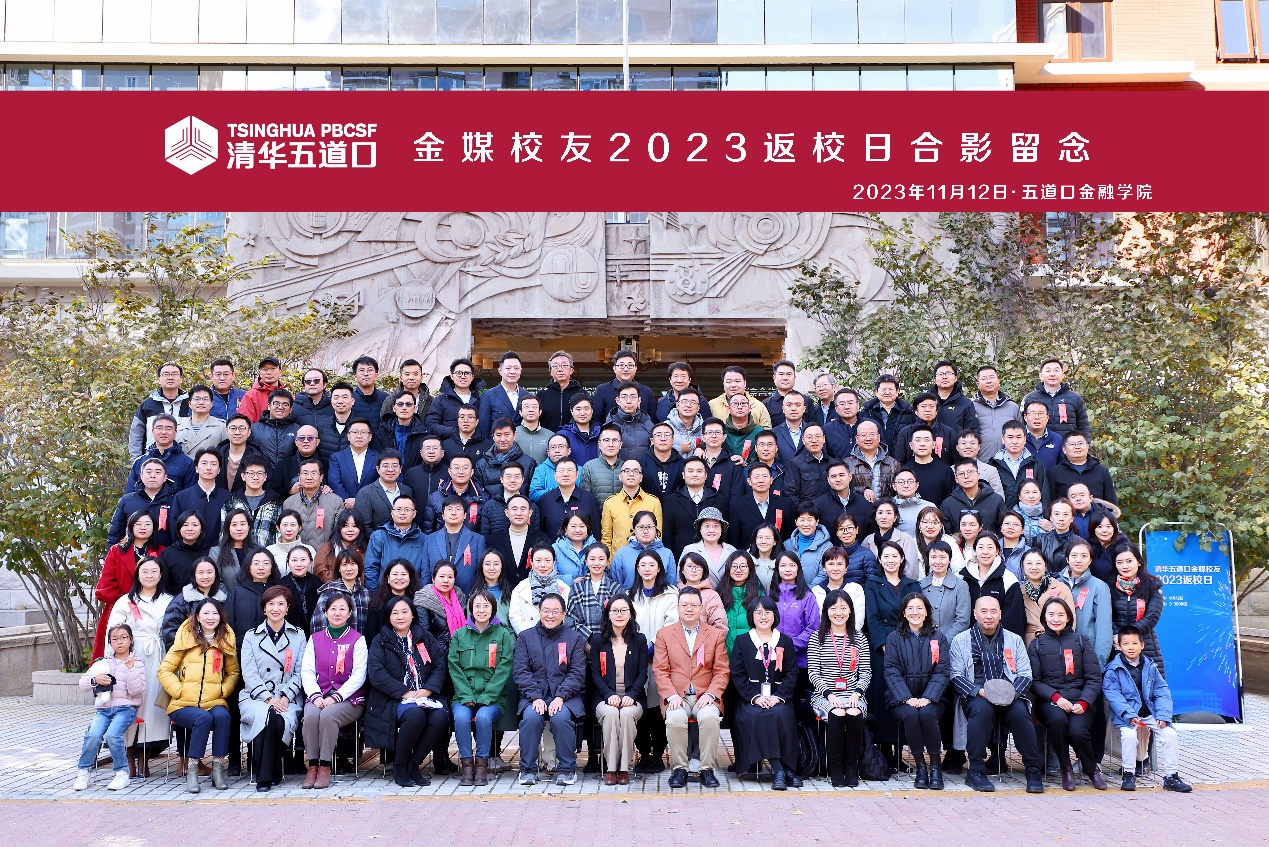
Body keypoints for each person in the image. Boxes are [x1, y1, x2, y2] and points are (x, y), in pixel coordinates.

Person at [949, 595, 1045, 794]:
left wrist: (1010, 694)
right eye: (983, 611)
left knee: (1020, 713)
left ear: (1000, 614)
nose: (988, 616)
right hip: (977, 694)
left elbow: (1026, 674)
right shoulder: (961, 640)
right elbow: (955, 676)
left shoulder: (1014, 640)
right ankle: (976, 771)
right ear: (975, 614)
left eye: (993, 611)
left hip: (1010, 694)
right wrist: (980, 691)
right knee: (982, 711)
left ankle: (1033, 770)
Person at [365, 595, 451, 787]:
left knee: (440, 717)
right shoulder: (380, 640)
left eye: (405, 612)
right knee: (415, 716)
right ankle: (400, 766)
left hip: (424, 695)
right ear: (389, 617)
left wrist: (428, 689)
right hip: (393, 698)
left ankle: (413, 765)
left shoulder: (424, 637)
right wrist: (405, 693)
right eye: (395, 613)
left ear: (413, 614)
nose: (400, 616)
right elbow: (377, 673)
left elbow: (439, 665)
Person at [159, 597, 240, 793]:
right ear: (197, 616)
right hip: (183, 704)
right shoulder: (185, 639)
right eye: (206, 613)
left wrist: (223, 690)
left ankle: (218, 770)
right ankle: (192, 770)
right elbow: (164, 670)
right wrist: (178, 691)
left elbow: (234, 672)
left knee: (223, 716)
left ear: (221, 617)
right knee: (202, 718)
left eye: (215, 613)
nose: (210, 617)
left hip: (214, 700)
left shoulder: (225, 641)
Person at [1028, 596, 1108, 791]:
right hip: (1050, 701)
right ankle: (1066, 768)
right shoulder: (1036, 645)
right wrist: (1056, 698)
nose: (1056, 619)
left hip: (1080, 700)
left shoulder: (1081, 641)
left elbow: (1094, 678)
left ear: (1069, 618)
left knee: (1077, 732)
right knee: (1057, 720)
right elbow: (1034, 682)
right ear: (1044, 617)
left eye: (1061, 615)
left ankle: (1092, 769)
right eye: (1051, 614)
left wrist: (1084, 702)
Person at [653, 587, 730, 789]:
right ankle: (680, 768)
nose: (689, 609)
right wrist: (671, 695)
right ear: (678, 608)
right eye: (684, 605)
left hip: (705, 694)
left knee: (710, 718)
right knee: (675, 718)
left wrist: (712, 694)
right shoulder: (664, 634)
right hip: (677, 695)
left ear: (701, 608)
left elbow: (722, 671)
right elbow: (660, 670)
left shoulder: (714, 634)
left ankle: (707, 769)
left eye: (694, 605)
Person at [1102, 624, 1192, 792]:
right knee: (1129, 736)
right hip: (1126, 715)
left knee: (1170, 734)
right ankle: (1129, 774)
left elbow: (1162, 691)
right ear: (1119, 646)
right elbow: (1113, 696)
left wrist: (1163, 715)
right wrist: (1129, 715)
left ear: (1142, 645)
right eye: (1126, 643)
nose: (1130, 647)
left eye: (1134, 643)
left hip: (1149, 712)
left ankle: (1171, 777)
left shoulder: (1150, 666)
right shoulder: (1113, 669)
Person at [105, 556, 172, 775]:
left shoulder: (169, 601)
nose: (149, 575)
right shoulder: (125, 601)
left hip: (158, 656)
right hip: (130, 656)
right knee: (128, 702)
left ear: (161, 575)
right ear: (137, 574)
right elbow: (113, 634)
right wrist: (112, 662)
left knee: (152, 706)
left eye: (154, 571)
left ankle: (145, 755)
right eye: (145, 571)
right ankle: (128, 756)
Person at [513, 593, 588, 785]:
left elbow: (577, 673)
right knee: (531, 717)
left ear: (564, 614)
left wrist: (561, 696)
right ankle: (528, 769)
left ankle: (567, 769)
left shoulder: (574, 638)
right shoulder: (525, 637)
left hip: (565, 696)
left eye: (555, 611)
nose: (550, 615)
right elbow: (521, 672)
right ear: (539, 611)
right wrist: (535, 697)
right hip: (534, 696)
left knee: (561, 718)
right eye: (546, 610)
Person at [237, 584, 306, 791]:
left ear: (288, 608)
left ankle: (267, 773)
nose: (276, 608)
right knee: (267, 716)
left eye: (281, 604)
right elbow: (249, 674)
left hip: (287, 698)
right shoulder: (251, 636)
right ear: (264, 608)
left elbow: (300, 672)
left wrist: (284, 697)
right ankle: (267, 776)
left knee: (277, 720)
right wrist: (269, 699)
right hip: (256, 696)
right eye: (271, 604)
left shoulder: (298, 635)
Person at [728, 596, 800, 788]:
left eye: (767, 612)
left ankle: (784, 769)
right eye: (758, 612)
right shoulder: (742, 641)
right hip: (750, 699)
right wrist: (756, 697)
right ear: (751, 616)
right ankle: (781, 770)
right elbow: (737, 674)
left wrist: (778, 697)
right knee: (757, 714)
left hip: (779, 698)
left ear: (775, 615)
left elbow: (791, 673)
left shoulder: (785, 641)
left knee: (779, 713)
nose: (763, 616)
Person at [300, 591, 367, 790]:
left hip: (349, 700)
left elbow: (359, 674)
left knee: (328, 716)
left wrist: (336, 697)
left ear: (349, 613)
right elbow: (307, 671)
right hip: (319, 695)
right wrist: (315, 696)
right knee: (310, 716)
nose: (337, 613)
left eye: (342, 609)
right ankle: (312, 765)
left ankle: (325, 766)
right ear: (325, 612)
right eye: (333, 609)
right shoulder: (315, 639)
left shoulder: (358, 640)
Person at [864, 541, 923, 764]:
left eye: (894, 556)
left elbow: (918, 615)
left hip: (909, 645)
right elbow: (872, 618)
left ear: (902, 559)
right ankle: (883, 751)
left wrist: (907, 642)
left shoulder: (912, 585)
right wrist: (885, 644)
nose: (890, 560)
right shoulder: (873, 584)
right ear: (880, 560)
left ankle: (900, 752)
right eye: (886, 556)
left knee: (904, 695)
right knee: (881, 696)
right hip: (882, 649)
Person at [884, 592, 951, 790]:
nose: (915, 612)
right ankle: (921, 767)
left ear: (927, 612)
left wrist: (928, 697)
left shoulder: (938, 638)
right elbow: (891, 670)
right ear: (904, 613)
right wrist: (906, 698)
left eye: (919, 608)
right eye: (910, 608)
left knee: (927, 714)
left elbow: (942, 671)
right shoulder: (894, 638)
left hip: (933, 698)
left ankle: (935, 767)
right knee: (912, 715)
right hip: (901, 699)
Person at [449, 588, 515, 786]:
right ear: (470, 609)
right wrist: (466, 695)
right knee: (461, 717)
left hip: (493, 697)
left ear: (493, 609)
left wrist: (487, 696)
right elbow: (454, 667)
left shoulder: (503, 635)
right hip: (464, 695)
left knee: (484, 717)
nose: (481, 610)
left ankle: (481, 767)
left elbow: (503, 669)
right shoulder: (459, 635)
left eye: (486, 606)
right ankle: (467, 767)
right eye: (477, 606)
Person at [808, 588, 870, 787]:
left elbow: (866, 672)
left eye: (843, 608)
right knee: (837, 712)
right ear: (826, 611)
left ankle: (851, 768)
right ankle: (835, 768)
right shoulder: (817, 637)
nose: (838, 613)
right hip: (824, 695)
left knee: (853, 712)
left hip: (853, 693)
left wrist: (857, 693)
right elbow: (813, 673)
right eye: (833, 608)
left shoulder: (859, 638)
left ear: (850, 611)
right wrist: (829, 694)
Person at [73, 624, 147, 792]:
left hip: (126, 708)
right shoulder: (102, 662)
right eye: (115, 639)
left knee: (113, 735)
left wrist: (131, 670)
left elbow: (137, 691)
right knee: (93, 735)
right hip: (104, 709)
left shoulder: (137, 662)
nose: (119, 642)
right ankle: (84, 772)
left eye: (123, 638)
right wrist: (95, 680)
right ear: (110, 642)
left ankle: (122, 773)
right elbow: (83, 684)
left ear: (130, 640)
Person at [589, 595, 649, 784]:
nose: (619, 614)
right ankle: (611, 767)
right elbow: (595, 674)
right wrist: (609, 694)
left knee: (627, 714)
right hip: (604, 696)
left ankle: (623, 769)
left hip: (633, 696)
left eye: (624, 610)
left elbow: (643, 674)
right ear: (608, 614)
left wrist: (631, 695)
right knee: (612, 714)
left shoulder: (639, 640)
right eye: (614, 611)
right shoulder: (598, 640)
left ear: (631, 614)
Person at [94, 511, 164, 661]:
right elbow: (105, 586)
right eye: (138, 524)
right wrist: (127, 601)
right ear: (130, 526)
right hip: (121, 609)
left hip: (153, 610)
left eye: (147, 524)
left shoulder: (161, 551)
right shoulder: (116, 551)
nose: (143, 527)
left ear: (154, 527)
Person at [1110, 542, 1166, 673]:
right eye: (1119, 562)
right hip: (1117, 645)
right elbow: (1105, 615)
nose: (1125, 566)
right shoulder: (1108, 586)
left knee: (1150, 683)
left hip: (1146, 644)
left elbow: (1152, 616)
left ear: (1139, 562)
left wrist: (1127, 637)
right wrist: (1118, 637)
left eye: (1129, 561)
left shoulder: (1153, 585)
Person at [960, 533, 1026, 639]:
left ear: (997, 551)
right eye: (981, 547)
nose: (985, 552)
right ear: (975, 551)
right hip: (968, 639)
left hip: (1000, 640)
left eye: (990, 547)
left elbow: (1014, 617)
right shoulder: (963, 577)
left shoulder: (1008, 578)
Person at [770, 551, 820, 682]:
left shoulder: (808, 596)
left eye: (792, 565)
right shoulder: (769, 595)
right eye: (783, 565)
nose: (788, 569)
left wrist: (790, 645)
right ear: (777, 568)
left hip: (800, 660)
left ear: (798, 568)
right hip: (772, 657)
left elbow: (813, 627)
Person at [160, 557, 227, 650]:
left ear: (216, 574)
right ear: (194, 575)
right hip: (189, 653)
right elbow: (170, 630)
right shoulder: (183, 600)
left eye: (209, 572)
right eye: (201, 572)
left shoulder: (223, 600)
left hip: (217, 652)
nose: (205, 576)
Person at [109, 458, 177, 548]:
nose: (153, 476)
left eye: (157, 472)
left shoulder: (175, 501)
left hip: (165, 554)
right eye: (148, 472)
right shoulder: (127, 501)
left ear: (165, 477)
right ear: (141, 476)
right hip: (133, 554)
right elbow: (115, 533)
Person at [424, 495, 486, 593]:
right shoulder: (430, 540)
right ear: (443, 515)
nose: (453, 513)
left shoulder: (478, 540)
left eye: (458, 509)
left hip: (468, 595)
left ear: (465, 515)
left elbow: (481, 573)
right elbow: (425, 573)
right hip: (435, 597)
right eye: (449, 509)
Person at [128, 362, 190, 460]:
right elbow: (136, 434)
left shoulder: (190, 404)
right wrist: (137, 461)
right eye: (165, 374)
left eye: (174, 374)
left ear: (181, 379)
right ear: (159, 380)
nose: (170, 378)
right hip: (152, 461)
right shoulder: (147, 405)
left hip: (183, 462)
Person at [363, 496, 427, 590]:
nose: (402, 513)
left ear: (414, 514)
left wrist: (421, 595)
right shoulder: (379, 536)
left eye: (407, 509)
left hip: (414, 593)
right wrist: (375, 593)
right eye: (398, 509)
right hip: (384, 593)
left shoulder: (423, 539)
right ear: (392, 512)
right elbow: (371, 568)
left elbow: (425, 572)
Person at [565, 542, 624, 639]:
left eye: (601, 559)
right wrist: (587, 639)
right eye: (592, 559)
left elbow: (623, 617)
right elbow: (570, 619)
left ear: (607, 561)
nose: (596, 563)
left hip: (610, 641)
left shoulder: (616, 589)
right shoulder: (576, 588)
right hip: (582, 643)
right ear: (586, 561)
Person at [221, 457, 283, 548]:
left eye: (260, 473)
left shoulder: (275, 501)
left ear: (265, 477)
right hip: (236, 553)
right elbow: (224, 532)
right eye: (250, 473)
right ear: (243, 476)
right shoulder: (231, 501)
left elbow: (279, 534)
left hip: (266, 554)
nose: (255, 477)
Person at [487, 494, 552, 580]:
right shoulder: (495, 539)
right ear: (507, 513)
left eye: (523, 509)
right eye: (514, 509)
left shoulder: (541, 538)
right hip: (503, 586)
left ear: (530, 513)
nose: (519, 513)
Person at [537, 457, 602, 542]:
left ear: (577, 474)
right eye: (561, 471)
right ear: (555, 475)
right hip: (552, 549)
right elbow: (542, 532)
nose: (565, 474)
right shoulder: (546, 500)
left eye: (570, 470)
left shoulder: (589, 499)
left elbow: (596, 532)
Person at [283, 458, 344, 549]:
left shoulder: (336, 502)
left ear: (321, 477)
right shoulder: (288, 503)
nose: (309, 477)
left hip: (325, 555)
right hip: (295, 556)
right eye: (305, 473)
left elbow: (339, 535)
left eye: (314, 473)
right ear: (299, 476)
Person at [509, 546, 571, 633]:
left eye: (547, 560)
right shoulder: (520, 588)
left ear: (554, 562)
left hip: (558, 636)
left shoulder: (565, 588)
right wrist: (529, 635)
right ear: (531, 562)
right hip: (529, 637)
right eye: (538, 560)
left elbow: (569, 616)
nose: (543, 565)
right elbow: (515, 616)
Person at [601, 461, 662, 549]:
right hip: (618, 556)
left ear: (641, 477)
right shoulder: (610, 503)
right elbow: (606, 538)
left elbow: (658, 536)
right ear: (620, 476)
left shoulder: (653, 502)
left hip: (646, 556)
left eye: (636, 471)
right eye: (627, 471)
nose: (631, 474)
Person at [611, 510, 678, 590]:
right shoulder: (622, 553)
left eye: (649, 527)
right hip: (628, 597)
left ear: (656, 529)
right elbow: (615, 585)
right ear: (634, 530)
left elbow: (671, 586)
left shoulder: (667, 554)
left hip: (660, 597)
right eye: (641, 527)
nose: (645, 531)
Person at [1022, 359, 1089, 438]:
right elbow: (1022, 426)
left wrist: (1086, 444)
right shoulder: (1030, 398)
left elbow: (1083, 426)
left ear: (1063, 375)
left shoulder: (1075, 398)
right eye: (1048, 371)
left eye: (1056, 370)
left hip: (1067, 444)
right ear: (1041, 376)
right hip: (1039, 444)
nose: (1052, 374)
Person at [1020, 550, 1075, 646]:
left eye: (1038, 563)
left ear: (1045, 565)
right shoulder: (1019, 591)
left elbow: (1071, 619)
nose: (1034, 567)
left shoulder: (1061, 588)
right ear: (1022, 566)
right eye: (1029, 563)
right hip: (1030, 643)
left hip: (1058, 640)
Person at [920, 541, 971, 643]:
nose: (938, 561)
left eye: (942, 557)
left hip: (951, 643)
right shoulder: (921, 585)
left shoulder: (960, 585)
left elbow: (963, 621)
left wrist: (944, 642)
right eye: (933, 557)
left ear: (949, 560)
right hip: (924, 643)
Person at [1047, 431, 1118, 504]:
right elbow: (1050, 502)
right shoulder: (1054, 472)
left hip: (1096, 511)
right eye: (1072, 444)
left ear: (1087, 447)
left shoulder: (1101, 471)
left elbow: (1111, 502)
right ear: (1064, 449)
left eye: (1081, 443)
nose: (1077, 447)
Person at [862, 498, 922, 581]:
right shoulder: (868, 540)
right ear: (875, 517)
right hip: (873, 585)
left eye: (889, 513)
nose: (884, 517)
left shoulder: (905, 539)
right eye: (880, 513)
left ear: (895, 517)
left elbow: (911, 570)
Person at [991, 420, 1047, 509]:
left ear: (1025, 439)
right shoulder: (993, 464)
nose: (1014, 441)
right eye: (1010, 437)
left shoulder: (1035, 464)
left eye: (1018, 437)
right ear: (1003, 439)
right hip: (1000, 514)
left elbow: (1044, 494)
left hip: (1030, 515)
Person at [476, 420, 537, 500]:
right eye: (498, 435)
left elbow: (531, 495)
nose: (502, 439)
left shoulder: (528, 463)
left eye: (507, 434)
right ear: (493, 436)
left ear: (514, 435)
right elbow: (479, 494)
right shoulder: (482, 464)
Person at [427, 357, 485, 442]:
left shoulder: (481, 400)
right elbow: (431, 424)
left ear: (472, 377)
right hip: (448, 445)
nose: (463, 376)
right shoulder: (440, 400)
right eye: (458, 373)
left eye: (467, 373)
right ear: (451, 376)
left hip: (475, 445)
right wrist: (455, 432)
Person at [312, 551, 371, 635]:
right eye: (344, 564)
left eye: (353, 564)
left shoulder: (366, 594)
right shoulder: (329, 591)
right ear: (339, 568)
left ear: (359, 567)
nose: (349, 569)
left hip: (360, 642)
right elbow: (318, 623)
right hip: (333, 642)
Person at [892, 393, 960, 466]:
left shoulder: (948, 432)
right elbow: (899, 461)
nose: (927, 410)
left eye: (931, 406)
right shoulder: (905, 433)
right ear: (915, 411)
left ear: (936, 411)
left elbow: (956, 462)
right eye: (923, 406)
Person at [941, 459, 1006, 534]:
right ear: (956, 479)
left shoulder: (996, 500)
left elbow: (1003, 528)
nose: (966, 476)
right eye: (961, 474)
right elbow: (947, 533)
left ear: (978, 475)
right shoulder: (948, 504)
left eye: (970, 472)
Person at [422, 454, 483, 533]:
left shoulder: (481, 498)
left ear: (472, 472)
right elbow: (428, 530)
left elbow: (483, 531)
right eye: (457, 468)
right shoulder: (435, 498)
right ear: (450, 471)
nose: (461, 472)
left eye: (465, 468)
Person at [718, 551, 765, 652]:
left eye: (743, 566)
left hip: (751, 653)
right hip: (723, 653)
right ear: (728, 569)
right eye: (734, 566)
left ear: (750, 569)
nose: (738, 570)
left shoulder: (759, 596)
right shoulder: (719, 594)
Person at [845, 419, 901, 503]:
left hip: (886, 509)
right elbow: (842, 489)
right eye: (863, 435)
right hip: (858, 509)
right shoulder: (847, 464)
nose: (868, 438)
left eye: (872, 434)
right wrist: (862, 490)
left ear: (879, 437)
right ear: (857, 438)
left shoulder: (893, 463)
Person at [593, 351, 656, 424]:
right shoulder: (602, 390)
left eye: (630, 365)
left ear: (635, 368)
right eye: (621, 365)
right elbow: (596, 420)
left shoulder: (647, 392)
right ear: (614, 368)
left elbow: (652, 421)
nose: (626, 369)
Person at [972, 365, 1021, 460]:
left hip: (1009, 462)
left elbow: (1021, 434)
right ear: (978, 384)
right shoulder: (971, 407)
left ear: (998, 381)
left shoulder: (1012, 407)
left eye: (992, 377)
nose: (988, 381)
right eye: (984, 378)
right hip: (981, 462)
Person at [900, 424, 956, 506]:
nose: (922, 444)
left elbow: (950, 501)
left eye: (926, 440)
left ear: (933, 445)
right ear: (911, 445)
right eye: (918, 440)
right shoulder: (904, 471)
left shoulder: (946, 470)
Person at [477, 351, 530, 438]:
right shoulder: (488, 396)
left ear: (521, 370)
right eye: (508, 368)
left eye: (516, 368)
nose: (512, 372)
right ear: (500, 371)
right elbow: (483, 427)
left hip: (522, 443)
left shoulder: (527, 396)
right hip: (497, 444)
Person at [679, 507, 736, 586]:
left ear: (721, 529)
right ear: (700, 529)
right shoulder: (690, 550)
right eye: (707, 526)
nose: (711, 530)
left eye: (716, 526)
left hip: (727, 593)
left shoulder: (731, 550)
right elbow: (680, 579)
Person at [364, 559, 421, 638]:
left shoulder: (417, 600)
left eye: (403, 574)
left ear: (410, 578)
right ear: (388, 577)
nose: (399, 578)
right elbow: (371, 633)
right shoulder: (377, 602)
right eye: (395, 574)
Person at [158, 509, 211, 595]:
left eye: (195, 525)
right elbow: (163, 586)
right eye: (185, 525)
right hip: (176, 601)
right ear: (179, 528)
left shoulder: (210, 552)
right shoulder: (168, 554)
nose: (190, 529)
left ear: (201, 529)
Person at [376, 391, 431, 472]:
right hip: (388, 477)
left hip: (413, 478)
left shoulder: (424, 434)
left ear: (415, 408)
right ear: (394, 408)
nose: (404, 408)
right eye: (400, 404)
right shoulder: (383, 432)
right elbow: (377, 459)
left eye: (408, 404)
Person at [811, 547, 867, 624]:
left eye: (840, 564)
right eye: (831, 564)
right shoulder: (816, 591)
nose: (835, 568)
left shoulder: (856, 589)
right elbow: (816, 620)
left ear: (846, 567)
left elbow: (858, 620)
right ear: (824, 567)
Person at [782, 502, 833, 587]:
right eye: (802, 520)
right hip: (789, 592)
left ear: (817, 522)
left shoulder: (827, 546)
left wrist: (808, 591)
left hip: (816, 592)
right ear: (796, 522)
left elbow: (824, 573)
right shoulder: (786, 545)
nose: (806, 524)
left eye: (810, 520)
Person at [677, 553, 728, 633]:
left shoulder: (712, 595)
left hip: (705, 640)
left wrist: (706, 641)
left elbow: (720, 626)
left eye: (698, 567)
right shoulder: (674, 593)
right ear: (682, 570)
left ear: (703, 571)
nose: (693, 570)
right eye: (689, 566)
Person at [314, 509, 368, 584]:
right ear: (339, 527)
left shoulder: (366, 550)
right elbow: (319, 571)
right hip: (330, 589)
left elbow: (366, 574)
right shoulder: (327, 547)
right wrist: (341, 584)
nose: (350, 530)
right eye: (346, 526)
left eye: (355, 526)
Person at [606, 382, 656, 461]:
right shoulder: (609, 426)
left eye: (633, 397)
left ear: (639, 400)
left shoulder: (648, 425)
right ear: (617, 400)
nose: (629, 401)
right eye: (624, 397)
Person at [251, 390, 300, 469]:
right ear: (269, 406)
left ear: (290, 409)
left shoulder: (297, 430)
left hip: (288, 474)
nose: (280, 407)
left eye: (285, 404)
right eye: (276, 403)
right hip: (262, 474)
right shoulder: (255, 429)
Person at [279, 544, 321, 635]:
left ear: (310, 562)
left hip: (315, 632)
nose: (299, 564)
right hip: (289, 633)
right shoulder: (281, 585)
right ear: (288, 562)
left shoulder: (317, 583)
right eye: (294, 560)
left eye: (303, 560)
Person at [177, 385, 227, 459]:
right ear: (189, 404)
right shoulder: (178, 426)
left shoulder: (222, 427)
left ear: (211, 404)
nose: (201, 402)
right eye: (197, 399)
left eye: (205, 399)